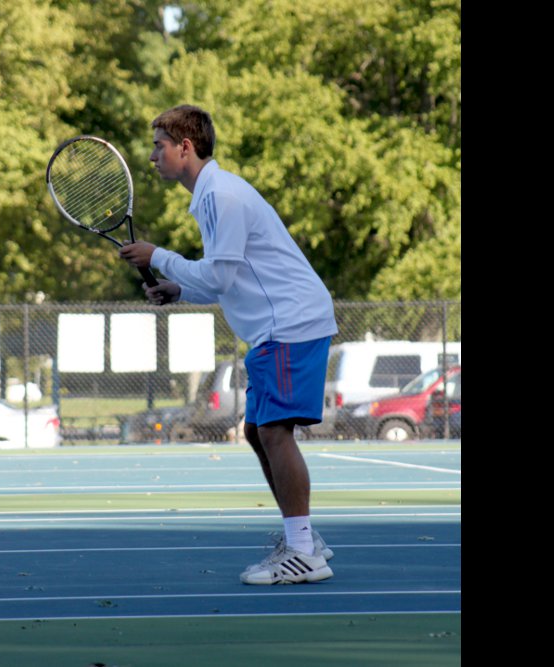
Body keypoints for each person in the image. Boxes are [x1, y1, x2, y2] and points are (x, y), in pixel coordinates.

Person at [119, 105, 338, 585]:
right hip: (278, 326)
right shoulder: (212, 195)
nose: (153, 156)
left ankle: (303, 551)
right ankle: (303, 538)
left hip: (290, 324)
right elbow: (228, 279)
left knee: (274, 432)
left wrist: (159, 256)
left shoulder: (222, 195)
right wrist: (180, 290)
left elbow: (219, 274)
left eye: (159, 146)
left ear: (185, 147)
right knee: (257, 431)